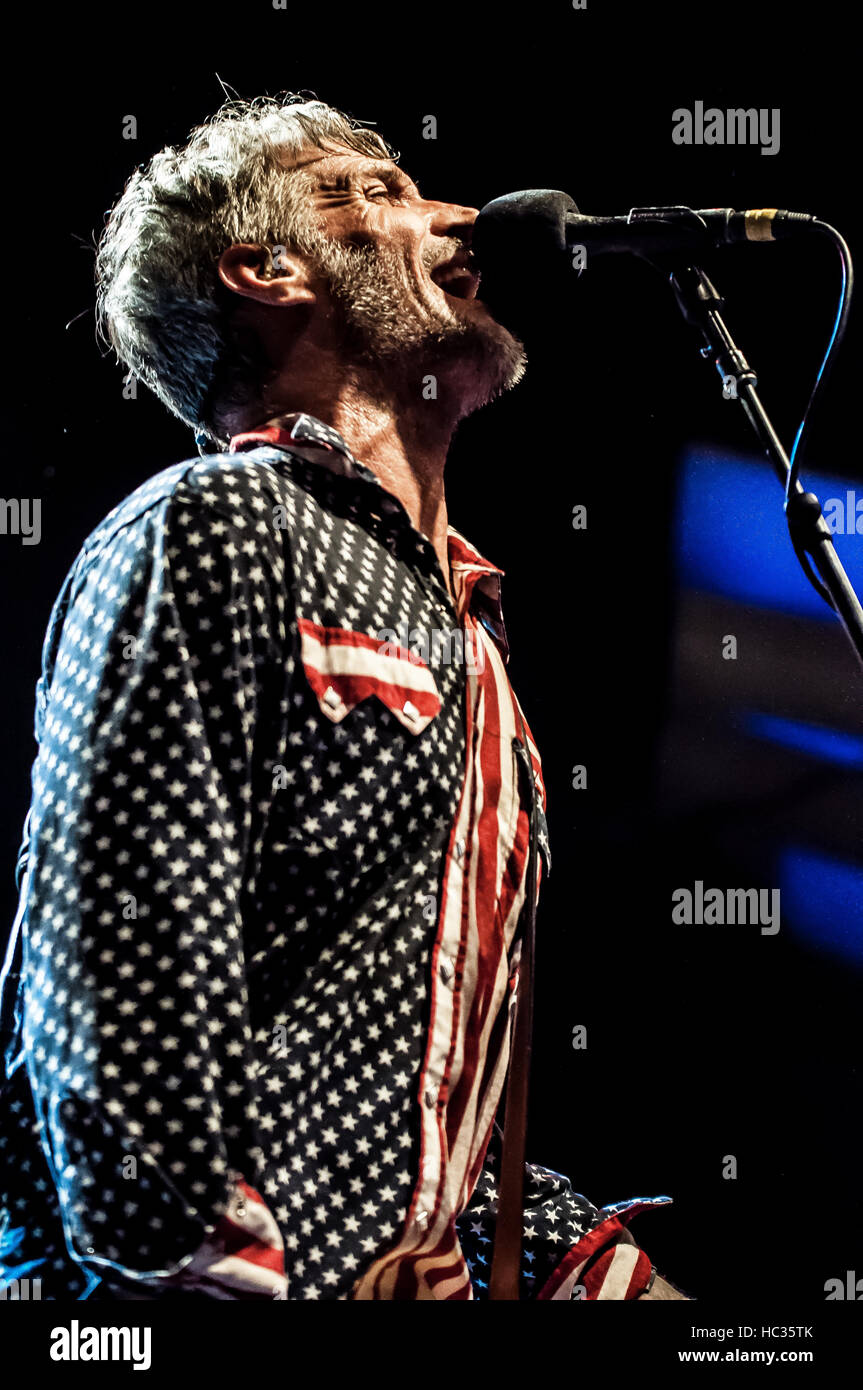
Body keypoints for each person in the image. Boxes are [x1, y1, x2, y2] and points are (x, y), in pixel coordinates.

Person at [0, 94, 689, 1301]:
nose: (455, 215)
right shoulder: (212, 525)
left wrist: (590, 1270)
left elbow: (419, 1116)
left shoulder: (471, 633)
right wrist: (203, 1258)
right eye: (370, 190)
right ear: (265, 271)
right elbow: (116, 971)